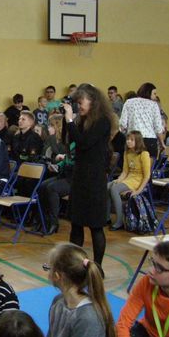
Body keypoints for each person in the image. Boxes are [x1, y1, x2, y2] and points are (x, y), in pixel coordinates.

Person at [62, 83, 115, 267]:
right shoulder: (83, 120)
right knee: (76, 224)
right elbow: (69, 140)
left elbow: (84, 143)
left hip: (94, 179)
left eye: (81, 101)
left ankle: (98, 266)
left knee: (95, 227)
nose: (79, 105)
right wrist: (67, 120)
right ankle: (74, 264)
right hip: (80, 177)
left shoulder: (102, 121)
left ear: (93, 101)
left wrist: (70, 121)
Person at [44, 243, 116, 337]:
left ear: (57, 275)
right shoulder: (58, 301)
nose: (47, 272)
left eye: (47, 268)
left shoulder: (88, 318)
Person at [108, 131, 151, 231]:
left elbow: (147, 176)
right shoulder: (127, 153)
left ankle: (119, 221)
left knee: (114, 189)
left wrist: (138, 191)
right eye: (127, 139)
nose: (128, 141)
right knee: (108, 186)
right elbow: (125, 172)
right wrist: (118, 180)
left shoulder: (144, 154)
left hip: (137, 181)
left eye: (132, 140)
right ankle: (107, 218)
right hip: (128, 179)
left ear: (138, 141)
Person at [37, 142, 75, 235]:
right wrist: (58, 166)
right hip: (65, 174)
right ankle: (43, 220)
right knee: (42, 186)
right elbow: (66, 160)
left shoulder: (83, 144)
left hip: (75, 179)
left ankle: (53, 222)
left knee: (52, 188)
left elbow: (75, 161)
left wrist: (64, 158)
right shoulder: (72, 143)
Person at [119, 82, 164, 159]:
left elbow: (123, 124)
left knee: (132, 165)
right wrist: (162, 143)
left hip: (133, 139)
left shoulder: (129, 102)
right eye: (154, 93)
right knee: (148, 165)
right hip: (150, 140)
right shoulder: (154, 105)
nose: (155, 96)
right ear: (148, 93)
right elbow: (158, 127)